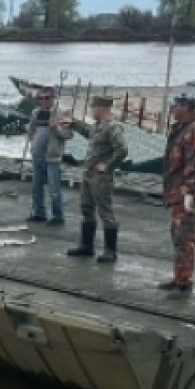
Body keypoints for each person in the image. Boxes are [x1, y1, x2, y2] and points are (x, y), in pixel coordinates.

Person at [159, 93, 195, 298]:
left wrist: (189, 193)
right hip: (177, 193)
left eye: (175, 106)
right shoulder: (181, 128)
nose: (171, 109)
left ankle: (185, 282)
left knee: (185, 238)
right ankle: (179, 277)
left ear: (186, 107)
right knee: (177, 237)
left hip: (187, 195)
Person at [67, 95, 128, 263]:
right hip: (88, 174)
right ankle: (86, 246)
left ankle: (110, 251)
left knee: (105, 212)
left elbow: (122, 150)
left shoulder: (113, 127)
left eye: (93, 108)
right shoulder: (98, 127)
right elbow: (88, 131)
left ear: (100, 108)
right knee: (86, 208)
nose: (92, 111)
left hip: (101, 177)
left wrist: (108, 165)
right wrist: (73, 123)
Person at [26, 86, 73, 225]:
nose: (43, 101)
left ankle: (58, 216)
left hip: (52, 157)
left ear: (53, 98)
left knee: (54, 188)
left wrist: (57, 128)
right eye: (40, 98)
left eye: (47, 98)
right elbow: (31, 129)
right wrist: (32, 141)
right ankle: (39, 213)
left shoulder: (62, 113)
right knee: (36, 186)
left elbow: (68, 135)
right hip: (37, 155)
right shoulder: (36, 112)